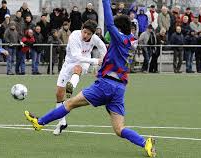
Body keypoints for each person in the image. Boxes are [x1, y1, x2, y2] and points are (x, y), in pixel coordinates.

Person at [24, 0, 156, 157]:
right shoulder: (131, 41)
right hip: (119, 89)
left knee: (69, 103)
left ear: (118, 29)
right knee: (119, 129)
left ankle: (40, 123)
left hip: (106, 85)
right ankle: (144, 142)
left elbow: (108, 20)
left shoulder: (119, 39)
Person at [51, 20, 107, 135]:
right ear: (82, 29)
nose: (85, 35)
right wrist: (96, 61)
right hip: (69, 63)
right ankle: (62, 122)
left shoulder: (95, 38)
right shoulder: (74, 36)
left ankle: (71, 88)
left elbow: (103, 49)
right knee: (58, 94)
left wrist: (102, 65)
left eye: (89, 34)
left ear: (93, 34)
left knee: (78, 69)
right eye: (84, 32)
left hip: (83, 63)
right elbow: (77, 56)